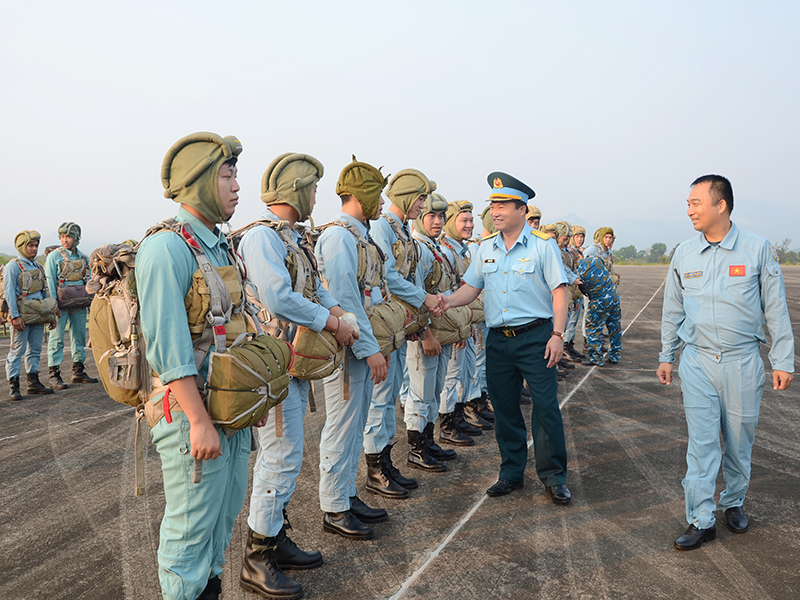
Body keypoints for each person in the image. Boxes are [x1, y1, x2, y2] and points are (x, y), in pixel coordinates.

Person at [135, 132, 258, 600]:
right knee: (188, 539)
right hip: (194, 416)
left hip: (228, 409)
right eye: (226, 175)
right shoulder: (167, 249)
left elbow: (236, 328)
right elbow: (169, 349)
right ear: (202, 180)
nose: (235, 186)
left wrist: (251, 399)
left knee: (218, 529)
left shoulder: (216, 245)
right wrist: (199, 420)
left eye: (234, 175)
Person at [235, 153, 357, 598]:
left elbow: (314, 287)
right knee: (281, 456)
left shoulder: (292, 239)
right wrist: (331, 323)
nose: (316, 197)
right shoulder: (263, 238)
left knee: (289, 454)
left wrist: (339, 312)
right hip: (273, 364)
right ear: (296, 190)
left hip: (293, 361)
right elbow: (278, 296)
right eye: (313, 188)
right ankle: (256, 557)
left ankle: (276, 536)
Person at [657, 174, 794, 551]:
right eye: (688, 203)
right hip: (698, 361)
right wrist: (667, 355)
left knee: (738, 442)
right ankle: (701, 519)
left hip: (742, 362)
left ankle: (733, 501)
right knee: (701, 445)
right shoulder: (684, 253)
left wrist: (782, 360)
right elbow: (673, 309)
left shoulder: (757, 249)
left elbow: (776, 310)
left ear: (721, 205)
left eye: (695, 202)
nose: (689, 210)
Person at [440, 172, 571, 503]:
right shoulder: (486, 249)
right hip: (499, 340)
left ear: (521, 209)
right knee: (505, 408)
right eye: (493, 205)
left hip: (537, 337)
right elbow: (471, 288)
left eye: (502, 205)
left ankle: (554, 475)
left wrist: (558, 335)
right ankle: (511, 472)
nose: (495, 212)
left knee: (545, 407)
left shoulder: (543, 246)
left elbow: (559, 291)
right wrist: (447, 300)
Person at [315, 158, 391, 540]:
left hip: (361, 345)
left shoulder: (359, 234)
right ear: (363, 196)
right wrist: (370, 349)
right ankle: (333, 506)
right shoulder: (340, 236)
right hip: (347, 349)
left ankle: (346, 493)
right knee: (342, 426)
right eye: (377, 193)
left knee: (356, 422)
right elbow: (345, 298)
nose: (382, 202)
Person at [363, 168, 440, 493]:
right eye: (420, 198)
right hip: (383, 325)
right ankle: (375, 469)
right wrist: (424, 299)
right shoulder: (382, 227)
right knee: (380, 400)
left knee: (390, 394)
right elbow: (389, 277)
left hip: (400, 323)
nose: (423, 205)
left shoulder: (401, 229)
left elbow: (409, 277)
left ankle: (387, 462)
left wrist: (419, 317)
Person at [439, 200, 489, 442]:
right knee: (452, 375)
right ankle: (447, 425)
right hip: (454, 324)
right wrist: (458, 327)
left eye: (471, 220)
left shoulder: (462, 250)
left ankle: (458, 417)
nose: (469, 225)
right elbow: (447, 292)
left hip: (465, 322)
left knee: (465, 371)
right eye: (464, 220)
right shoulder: (446, 251)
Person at [4, 230, 58, 400]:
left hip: (38, 314)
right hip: (22, 315)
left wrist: (51, 315)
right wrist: (14, 317)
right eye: (31, 245)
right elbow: (9, 293)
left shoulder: (38, 267)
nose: (34, 249)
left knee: (35, 349)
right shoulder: (13, 266)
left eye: (36, 246)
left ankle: (33, 383)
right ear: (22, 246)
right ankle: (13, 385)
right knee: (17, 351)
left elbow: (44, 293)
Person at [44, 222, 98, 389]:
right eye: (62, 236)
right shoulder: (54, 256)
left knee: (79, 338)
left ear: (76, 238)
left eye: (68, 237)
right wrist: (54, 306)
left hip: (80, 304)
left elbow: (88, 280)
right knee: (57, 339)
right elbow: (50, 282)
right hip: (60, 304)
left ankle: (78, 372)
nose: (64, 240)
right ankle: (54, 375)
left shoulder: (83, 257)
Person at [576, 253, 621, 366]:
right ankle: (615, 355)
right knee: (615, 328)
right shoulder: (596, 259)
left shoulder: (578, 269)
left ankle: (596, 358)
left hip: (600, 300)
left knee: (592, 328)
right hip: (614, 296)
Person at [564, 225, 587, 360]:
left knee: (573, 322)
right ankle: (565, 348)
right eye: (577, 236)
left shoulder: (577, 252)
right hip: (570, 292)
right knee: (567, 323)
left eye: (582, 236)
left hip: (577, 292)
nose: (580, 239)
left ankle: (570, 346)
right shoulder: (568, 253)